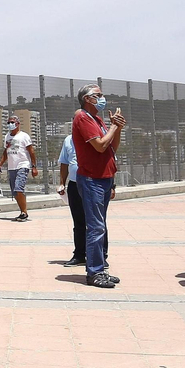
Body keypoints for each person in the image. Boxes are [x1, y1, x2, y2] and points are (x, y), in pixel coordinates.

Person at [72, 84, 124, 288]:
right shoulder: (83, 118)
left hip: (104, 178)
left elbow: (112, 146)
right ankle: (94, 272)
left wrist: (116, 127)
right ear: (87, 99)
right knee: (96, 227)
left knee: (100, 226)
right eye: (98, 95)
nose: (102, 98)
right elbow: (100, 146)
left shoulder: (97, 120)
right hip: (92, 179)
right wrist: (112, 127)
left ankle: (100, 268)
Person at [0, 116, 38, 221]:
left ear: (17, 124)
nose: (10, 124)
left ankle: (24, 212)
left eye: (12, 122)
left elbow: (31, 151)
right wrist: (0, 164)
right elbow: (6, 152)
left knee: (19, 188)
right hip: (11, 167)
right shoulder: (7, 137)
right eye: (8, 122)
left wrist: (34, 167)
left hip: (22, 165)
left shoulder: (24, 136)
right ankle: (23, 211)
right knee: (15, 192)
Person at [56, 134, 85, 267]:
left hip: (92, 183)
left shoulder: (97, 135)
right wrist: (62, 183)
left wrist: (112, 186)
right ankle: (79, 255)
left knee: (96, 222)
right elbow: (64, 162)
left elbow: (110, 159)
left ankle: (101, 255)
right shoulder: (68, 139)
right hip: (74, 183)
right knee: (78, 221)